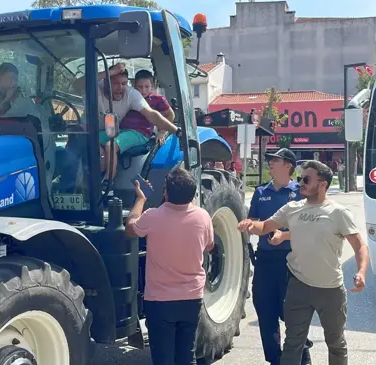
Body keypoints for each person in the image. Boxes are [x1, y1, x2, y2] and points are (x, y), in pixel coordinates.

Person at [237, 160, 369, 365]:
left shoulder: (338, 213)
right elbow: (264, 227)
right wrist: (250, 225)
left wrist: (361, 272)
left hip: (330, 289)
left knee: (335, 343)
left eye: (306, 179)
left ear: (323, 184)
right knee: (293, 343)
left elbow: (360, 246)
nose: (301, 183)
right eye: (300, 179)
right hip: (298, 286)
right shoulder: (292, 208)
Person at [125, 168, 213, 365]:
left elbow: (130, 228)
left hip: (160, 300)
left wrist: (140, 199)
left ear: (165, 193)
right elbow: (209, 245)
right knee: (186, 355)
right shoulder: (203, 217)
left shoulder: (152, 216)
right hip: (192, 297)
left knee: (163, 358)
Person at [247, 148, 312, 365]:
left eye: (275, 160)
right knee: (265, 311)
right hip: (265, 260)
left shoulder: (301, 192)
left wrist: (284, 236)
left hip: (292, 261)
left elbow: (312, 227)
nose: (270, 163)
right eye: (270, 160)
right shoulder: (260, 192)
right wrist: (249, 226)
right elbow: (253, 222)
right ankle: (275, 360)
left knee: (292, 314)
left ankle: (302, 357)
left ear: (288, 166)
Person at [74, 63, 178, 179]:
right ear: (105, 82)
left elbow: (152, 114)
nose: (120, 88)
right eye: (115, 83)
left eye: (124, 83)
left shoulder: (132, 94)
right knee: (74, 154)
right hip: (88, 134)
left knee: (110, 147)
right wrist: (109, 73)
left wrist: (176, 131)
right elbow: (76, 85)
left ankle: (108, 182)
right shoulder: (94, 88)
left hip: (122, 133)